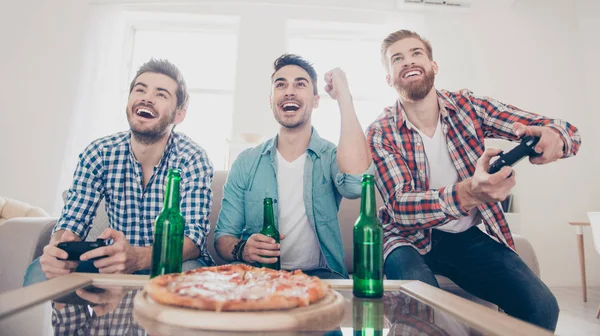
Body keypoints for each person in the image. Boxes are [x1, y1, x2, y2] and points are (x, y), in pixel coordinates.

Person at [366, 30, 581, 331]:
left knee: (541, 307)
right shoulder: (380, 131)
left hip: (464, 236)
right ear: (389, 78)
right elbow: (401, 206)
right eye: (397, 59)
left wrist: (557, 137)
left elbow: (555, 127)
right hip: (405, 239)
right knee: (421, 314)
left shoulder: (468, 106)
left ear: (433, 66)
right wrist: (471, 193)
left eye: (416, 53)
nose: (408, 61)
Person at [24, 59, 214, 285]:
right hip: (111, 263)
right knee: (40, 271)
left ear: (179, 115)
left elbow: (192, 241)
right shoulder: (99, 153)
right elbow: (71, 224)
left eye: (161, 94)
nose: (146, 98)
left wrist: (137, 258)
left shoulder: (193, 159)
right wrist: (59, 251)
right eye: (140, 90)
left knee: (192, 275)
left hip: (171, 264)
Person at [214, 54, 373, 279]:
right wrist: (243, 249)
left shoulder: (331, 157)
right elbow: (222, 239)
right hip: (262, 278)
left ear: (316, 100)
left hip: (322, 276)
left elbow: (357, 185)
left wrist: (344, 98)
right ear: (271, 100)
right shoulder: (246, 162)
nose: (289, 91)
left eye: (300, 84)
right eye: (281, 85)